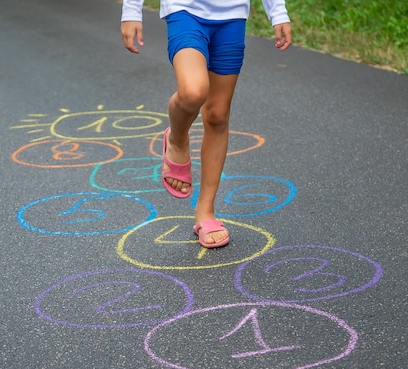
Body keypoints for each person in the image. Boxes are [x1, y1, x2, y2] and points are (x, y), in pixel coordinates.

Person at [120, 0, 292, 248]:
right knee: (193, 91)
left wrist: (278, 12)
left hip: (232, 15)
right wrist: (131, 10)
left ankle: (206, 211)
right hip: (184, 10)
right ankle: (178, 139)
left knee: (218, 114)